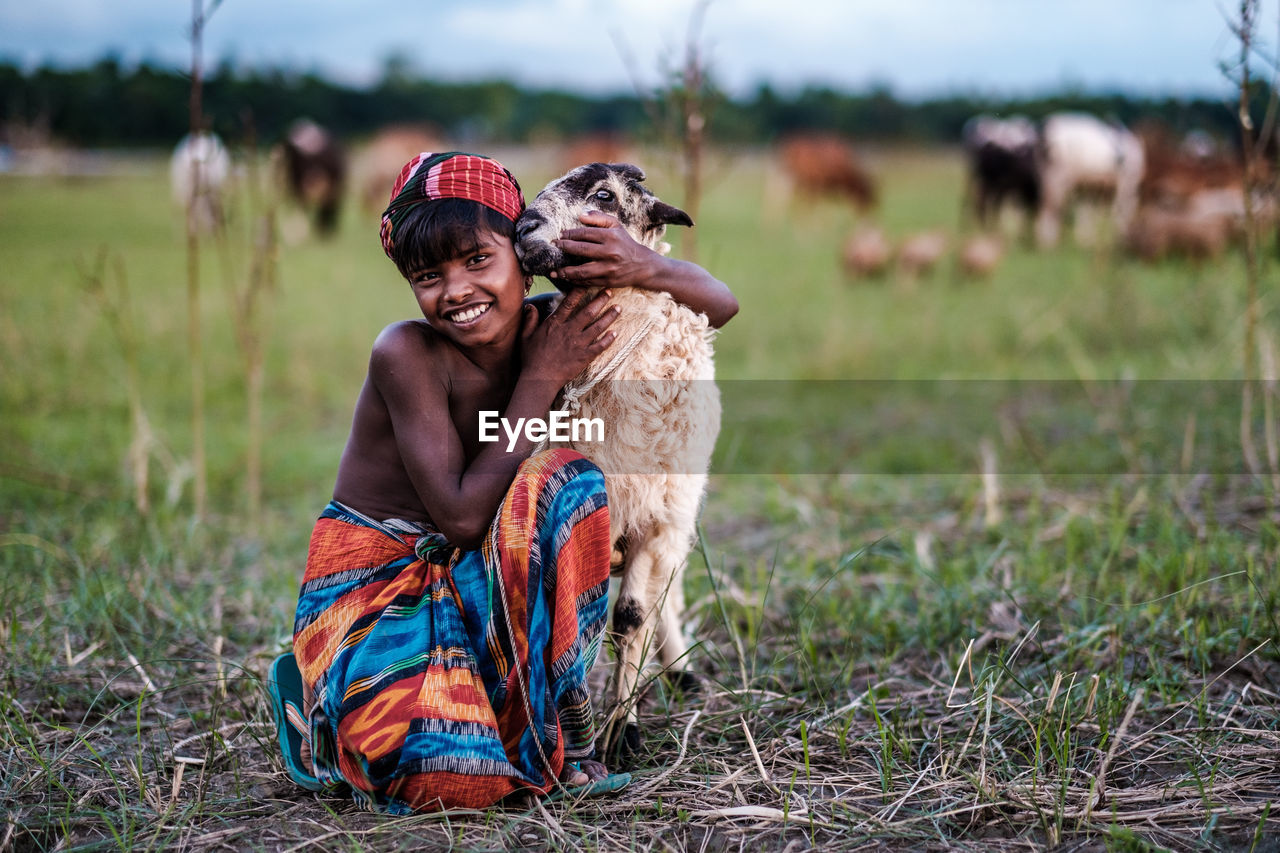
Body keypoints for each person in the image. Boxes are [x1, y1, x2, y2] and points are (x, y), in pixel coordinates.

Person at [272, 151, 737, 814]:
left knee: (573, 479)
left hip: (477, 586)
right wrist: (541, 377)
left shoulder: (559, 327)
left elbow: (720, 307)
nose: (456, 290)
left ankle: (563, 732)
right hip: (381, 596)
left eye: (477, 260)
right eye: (428, 275)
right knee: (449, 779)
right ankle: (318, 699)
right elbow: (461, 517)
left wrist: (645, 265)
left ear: (525, 253)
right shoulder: (407, 354)